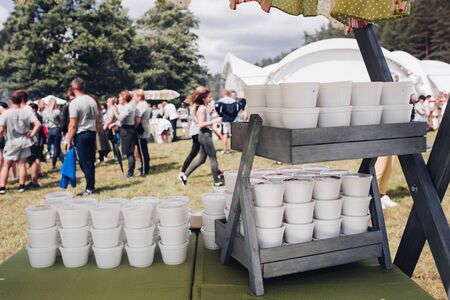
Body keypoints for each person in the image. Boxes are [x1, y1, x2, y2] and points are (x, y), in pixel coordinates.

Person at [0, 90, 41, 194]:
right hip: (24, 141)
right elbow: (38, 124)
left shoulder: (6, 113)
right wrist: (32, 134)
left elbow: (1, 129)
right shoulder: (26, 111)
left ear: (11, 101)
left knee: (6, 165)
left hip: (12, 142)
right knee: (22, 165)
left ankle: (2, 188)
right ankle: (21, 186)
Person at [183, 88, 223, 186]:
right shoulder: (201, 108)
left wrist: (209, 113)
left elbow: (203, 120)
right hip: (205, 135)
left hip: (204, 134)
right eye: (209, 97)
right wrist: (215, 120)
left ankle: (185, 175)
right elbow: (201, 124)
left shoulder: (203, 107)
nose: (211, 98)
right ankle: (217, 182)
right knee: (213, 158)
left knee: (201, 159)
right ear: (204, 98)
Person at [66, 77, 98, 196]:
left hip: (82, 133)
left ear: (74, 88)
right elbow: (97, 119)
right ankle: (91, 185)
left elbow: (73, 124)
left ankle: (90, 187)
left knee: (85, 162)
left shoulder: (75, 103)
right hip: (92, 132)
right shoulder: (92, 100)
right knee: (90, 160)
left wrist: (68, 139)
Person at [178, 87, 205, 185]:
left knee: (197, 153)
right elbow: (193, 116)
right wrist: (201, 122)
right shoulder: (194, 102)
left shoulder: (195, 101)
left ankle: (182, 172)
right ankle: (183, 173)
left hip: (196, 130)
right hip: (197, 130)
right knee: (201, 153)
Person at [112, 90, 139, 178]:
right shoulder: (130, 106)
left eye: (120, 97)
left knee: (130, 153)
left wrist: (114, 110)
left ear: (124, 98)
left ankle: (130, 174)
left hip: (127, 131)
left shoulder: (128, 107)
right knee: (129, 152)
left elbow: (120, 118)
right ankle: (130, 172)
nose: (119, 98)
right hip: (128, 130)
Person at [27, 103, 45, 189]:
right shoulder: (39, 115)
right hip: (38, 136)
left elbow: (36, 126)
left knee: (34, 157)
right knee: (37, 156)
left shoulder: (34, 116)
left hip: (35, 137)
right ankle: (39, 172)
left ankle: (37, 173)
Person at [133, 90, 151, 176]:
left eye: (134, 96)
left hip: (141, 128)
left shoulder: (141, 105)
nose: (133, 98)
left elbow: (137, 119)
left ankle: (144, 170)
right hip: (144, 126)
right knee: (143, 149)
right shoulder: (143, 104)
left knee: (142, 150)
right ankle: (145, 167)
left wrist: (133, 128)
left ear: (139, 97)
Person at [43, 98, 64, 168]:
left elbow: (44, 121)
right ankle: (57, 163)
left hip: (50, 130)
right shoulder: (57, 111)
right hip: (57, 129)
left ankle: (57, 163)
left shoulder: (45, 112)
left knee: (55, 147)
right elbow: (61, 121)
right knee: (57, 147)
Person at [217, 89, 236, 155]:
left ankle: (225, 150)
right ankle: (232, 149)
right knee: (232, 135)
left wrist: (219, 117)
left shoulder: (220, 101)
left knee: (225, 134)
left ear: (223, 93)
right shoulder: (233, 101)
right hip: (233, 119)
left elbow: (218, 111)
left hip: (225, 120)